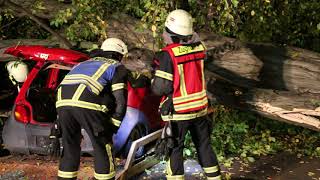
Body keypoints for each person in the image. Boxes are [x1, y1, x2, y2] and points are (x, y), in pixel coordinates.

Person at [151, 9, 221, 180]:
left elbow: (160, 89)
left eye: (165, 31)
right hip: (200, 109)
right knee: (204, 146)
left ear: (171, 34)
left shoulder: (168, 55)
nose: (163, 35)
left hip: (179, 112)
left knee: (175, 149)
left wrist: (153, 77)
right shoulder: (199, 49)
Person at [52, 38, 129, 180]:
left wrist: (57, 123)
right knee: (102, 147)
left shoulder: (81, 64)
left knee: (70, 148)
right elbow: (121, 101)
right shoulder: (116, 67)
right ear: (119, 54)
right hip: (88, 103)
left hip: (62, 103)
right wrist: (113, 126)